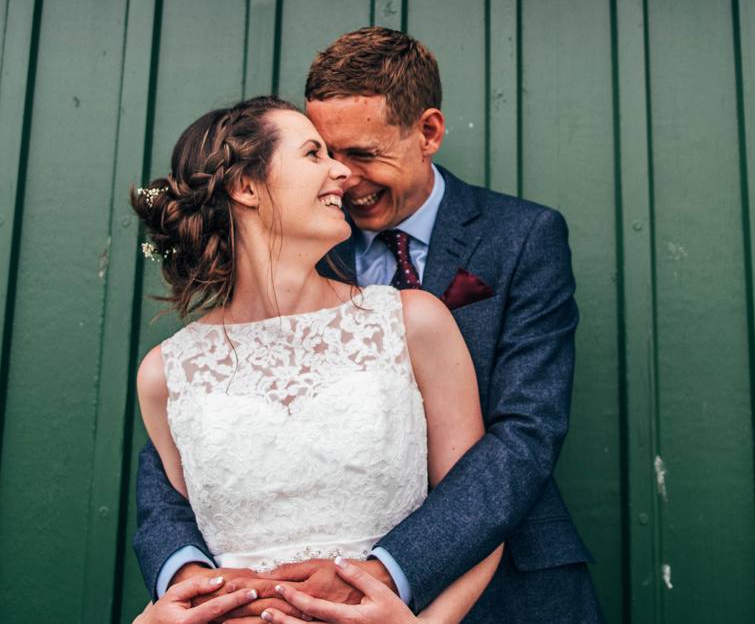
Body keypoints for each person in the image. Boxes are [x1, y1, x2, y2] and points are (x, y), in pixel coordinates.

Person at [135, 29, 603, 623]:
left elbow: (524, 437)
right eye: (320, 152)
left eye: (359, 154)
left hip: (500, 585)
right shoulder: (304, 242)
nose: (342, 176)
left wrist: (381, 577)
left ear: (427, 132)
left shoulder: (521, 238)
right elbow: (183, 455)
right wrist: (190, 581)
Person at [130, 95, 501, 624]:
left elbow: (480, 514)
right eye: (313, 154)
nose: (341, 172)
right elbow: (178, 529)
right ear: (245, 186)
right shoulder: (166, 374)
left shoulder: (412, 322)